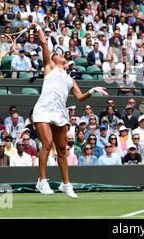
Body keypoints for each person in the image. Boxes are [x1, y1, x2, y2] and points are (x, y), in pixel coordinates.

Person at [30, 22, 107, 199]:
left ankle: (66, 185)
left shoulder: (70, 80)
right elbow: (43, 44)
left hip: (59, 114)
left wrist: (92, 90)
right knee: (47, 143)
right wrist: (38, 28)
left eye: (60, 53)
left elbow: (80, 98)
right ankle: (42, 180)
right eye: (57, 53)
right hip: (43, 110)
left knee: (63, 150)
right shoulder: (49, 67)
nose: (60, 55)